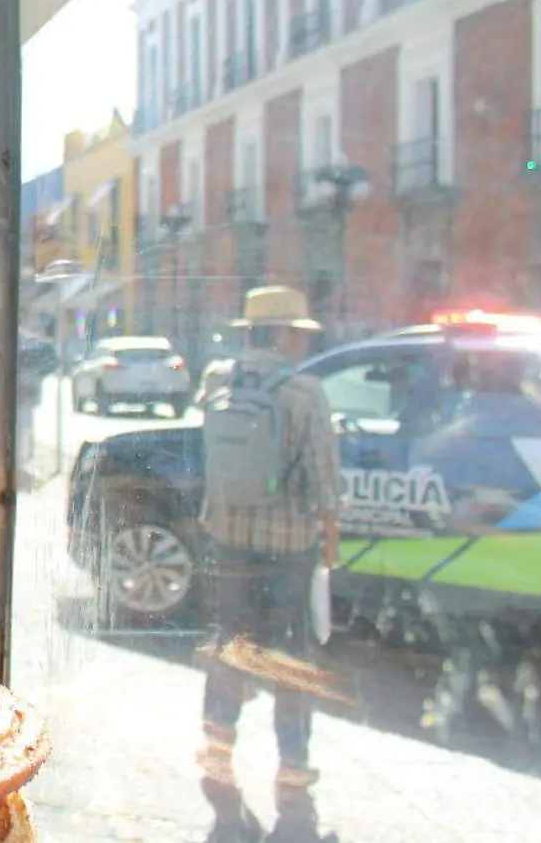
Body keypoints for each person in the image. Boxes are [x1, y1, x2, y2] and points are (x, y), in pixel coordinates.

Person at [195, 286, 341, 843]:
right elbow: (325, 485)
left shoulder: (216, 380)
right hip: (288, 547)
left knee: (230, 644)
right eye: (298, 334)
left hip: (227, 537)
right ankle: (294, 765)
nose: (302, 344)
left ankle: (217, 749)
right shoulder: (306, 392)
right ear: (282, 334)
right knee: (290, 657)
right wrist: (330, 543)